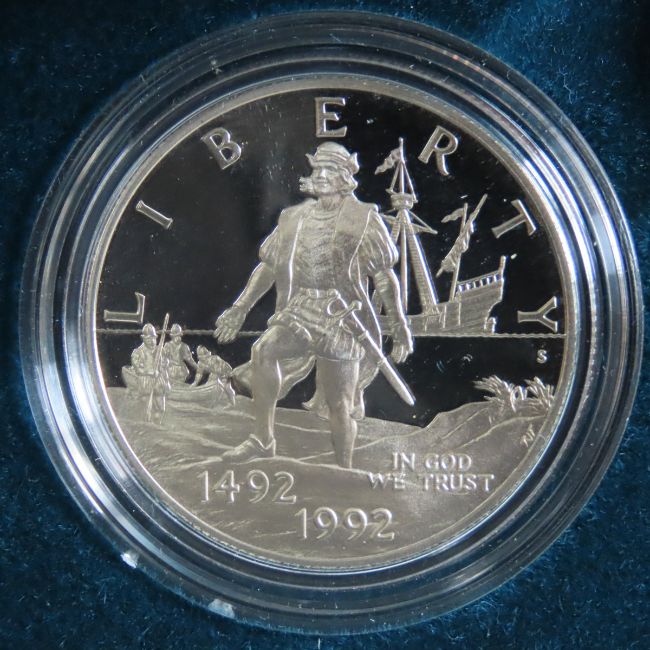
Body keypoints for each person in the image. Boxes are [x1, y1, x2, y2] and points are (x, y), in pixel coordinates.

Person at [214, 142, 413, 468]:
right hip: (301, 307)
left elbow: (383, 276)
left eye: (329, 170)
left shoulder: (363, 218)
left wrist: (400, 326)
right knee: (264, 350)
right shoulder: (292, 218)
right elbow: (268, 267)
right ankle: (263, 440)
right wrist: (240, 308)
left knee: (340, 403)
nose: (320, 176)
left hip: (345, 316)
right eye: (317, 169)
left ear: (345, 177)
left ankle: (344, 469)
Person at [126, 323, 170, 423]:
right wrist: (150, 372)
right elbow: (138, 369)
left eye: (154, 338)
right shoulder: (138, 352)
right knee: (145, 404)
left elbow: (164, 367)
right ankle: (147, 423)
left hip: (158, 381)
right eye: (149, 339)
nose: (152, 341)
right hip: (145, 381)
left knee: (160, 407)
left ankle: (157, 424)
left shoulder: (160, 350)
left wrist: (166, 379)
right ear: (143, 338)